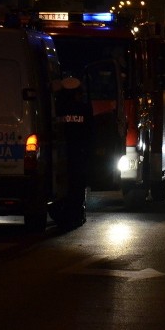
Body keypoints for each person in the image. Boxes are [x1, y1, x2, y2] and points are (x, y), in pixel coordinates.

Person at [57, 77, 91, 228]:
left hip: (61, 155)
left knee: (64, 187)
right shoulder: (84, 108)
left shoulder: (58, 108)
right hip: (79, 154)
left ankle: (65, 216)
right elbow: (91, 131)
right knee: (78, 186)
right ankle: (77, 215)